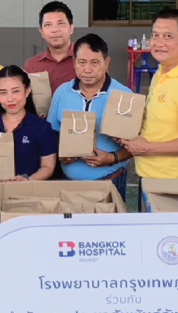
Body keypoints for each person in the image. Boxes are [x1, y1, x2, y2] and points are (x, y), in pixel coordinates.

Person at [116, 9, 178, 202]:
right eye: (155, 35)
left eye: (168, 36)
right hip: (148, 176)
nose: (159, 43)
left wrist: (147, 148)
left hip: (172, 185)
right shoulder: (161, 73)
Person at [46, 33, 132, 200]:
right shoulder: (62, 92)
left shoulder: (124, 96)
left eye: (94, 62)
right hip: (68, 183)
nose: (87, 69)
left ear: (106, 62)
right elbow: (52, 134)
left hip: (109, 181)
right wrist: (60, 153)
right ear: (74, 63)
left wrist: (112, 157)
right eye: (82, 62)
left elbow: (135, 144)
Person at [0, 66, 57, 183]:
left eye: (15, 91)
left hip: (28, 191)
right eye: (3, 93)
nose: (10, 99)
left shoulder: (42, 127)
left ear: (27, 90)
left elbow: (48, 167)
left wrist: (27, 180)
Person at [23, 0, 76, 93]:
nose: (54, 30)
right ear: (41, 31)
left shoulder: (88, 61)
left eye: (60, 23)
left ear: (71, 28)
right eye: (48, 25)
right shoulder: (31, 65)